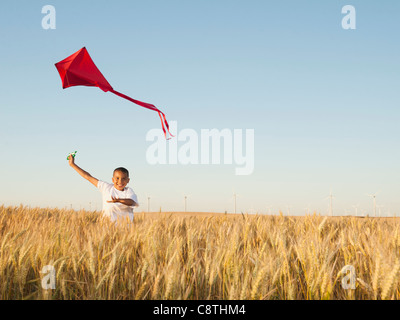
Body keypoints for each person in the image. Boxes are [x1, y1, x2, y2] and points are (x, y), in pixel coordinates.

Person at [68, 154, 139, 223]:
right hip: (106, 226)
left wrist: (119, 200)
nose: (120, 181)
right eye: (117, 178)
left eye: (123, 179)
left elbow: (131, 202)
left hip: (125, 229)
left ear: (128, 180)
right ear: (113, 179)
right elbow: (88, 177)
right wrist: (73, 165)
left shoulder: (129, 191)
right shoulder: (106, 187)